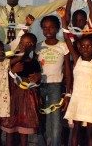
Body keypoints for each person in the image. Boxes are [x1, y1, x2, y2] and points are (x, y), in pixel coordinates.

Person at [57, 7, 92, 146]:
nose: (86, 48)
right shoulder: (76, 59)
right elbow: (67, 37)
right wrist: (62, 18)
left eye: (89, 46)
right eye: (83, 46)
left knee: (90, 132)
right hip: (77, 99)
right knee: (76, 131)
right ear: (78, 47)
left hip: (91, 101)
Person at [1, 32, 42, 146]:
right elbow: (2, 74)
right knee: (10, 127)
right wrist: (13, 71)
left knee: (24, 129)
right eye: (22, 43)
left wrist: (37, 78)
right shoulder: (12, 58)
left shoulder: (34, 62)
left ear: (33, 46)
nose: (24, 46)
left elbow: (36, 80)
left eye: (28, 44)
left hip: (27, 101)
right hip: (13, 98)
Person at [36, 15, 72, 146]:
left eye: (51, 27)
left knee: (55, 120)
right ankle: (43, 142)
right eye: (45, 27)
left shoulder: (63, 46)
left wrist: (68, 92)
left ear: (57, 29)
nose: (48, 30)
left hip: (56, 86)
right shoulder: (38, 46)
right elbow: (35, 67)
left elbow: (67, 69)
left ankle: (56, 143)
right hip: (40, 86)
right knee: (41, 119)